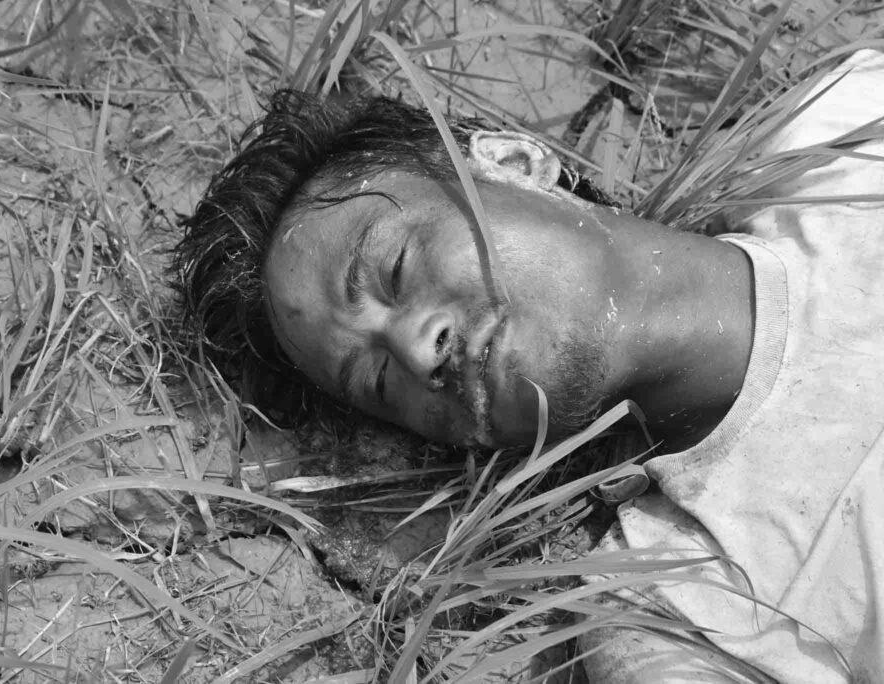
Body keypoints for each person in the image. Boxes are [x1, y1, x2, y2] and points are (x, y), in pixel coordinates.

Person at [174, 50, 884, 682]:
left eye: (395, 269)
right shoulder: (683, 615)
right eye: (379, 381)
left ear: (514, 164)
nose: (417, 351)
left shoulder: (843, 133)